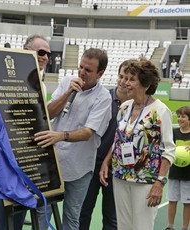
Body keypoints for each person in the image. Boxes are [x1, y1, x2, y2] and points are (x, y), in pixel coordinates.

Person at [34, 48, 112, 229]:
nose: (82, 72)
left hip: (79, 168)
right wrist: (67, 92)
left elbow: (88, 133)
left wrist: (60, 136)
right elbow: (49, 114)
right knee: (42, 212)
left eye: (88, 70)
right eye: (81, 67)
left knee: (71, 217)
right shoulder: (68, 82)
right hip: (53, 162)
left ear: (100, 74)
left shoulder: (103, 98)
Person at [99, 58, 176, 230]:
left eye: (131, 79)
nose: (124, 83)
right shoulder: (124, 107)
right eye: (124, 78)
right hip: (120, 176)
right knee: (123, 226)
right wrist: (106, 162)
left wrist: (159, 182)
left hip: (146, 181)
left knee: (142, 227)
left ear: (146, 84)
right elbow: (118, 140)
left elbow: (168, 150)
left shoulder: (160, 111)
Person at [0, 34, 51, 230]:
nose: (44, 57)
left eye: (47, 54)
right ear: (26, 51)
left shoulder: (40, 84)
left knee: (17, 208)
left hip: (27, 157)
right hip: (5, 154)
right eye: (40, 52)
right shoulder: (4, 75)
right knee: (1, 208)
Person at [79, 60, 130, 230]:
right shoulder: (103, 98)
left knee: (112, 218)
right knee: (82, 213)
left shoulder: (138, 107)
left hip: (117, 168)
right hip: (91, 165)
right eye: (121, 76)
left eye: (129, 78)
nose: (123, 81)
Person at [166, 106, 190, 230]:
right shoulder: (173, 132)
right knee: (172, 200)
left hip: (188, 175)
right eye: (178, 116)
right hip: (174, 173)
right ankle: (170, 226)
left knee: (187, 203)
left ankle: (185, 227)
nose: (180, 119)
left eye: (183, 117)